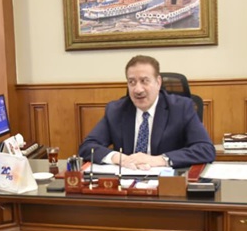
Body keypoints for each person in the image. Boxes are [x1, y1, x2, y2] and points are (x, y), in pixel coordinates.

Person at [79, 55, 215, 169]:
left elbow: (205, 149)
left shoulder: (181, 108)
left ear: (158, 82)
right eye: (132, 82)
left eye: (144, 81)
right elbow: (87, 146)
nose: (138, 89)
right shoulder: (116, 110)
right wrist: (119, 158)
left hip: (168, 183)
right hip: (127, 182)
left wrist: (159, 160)